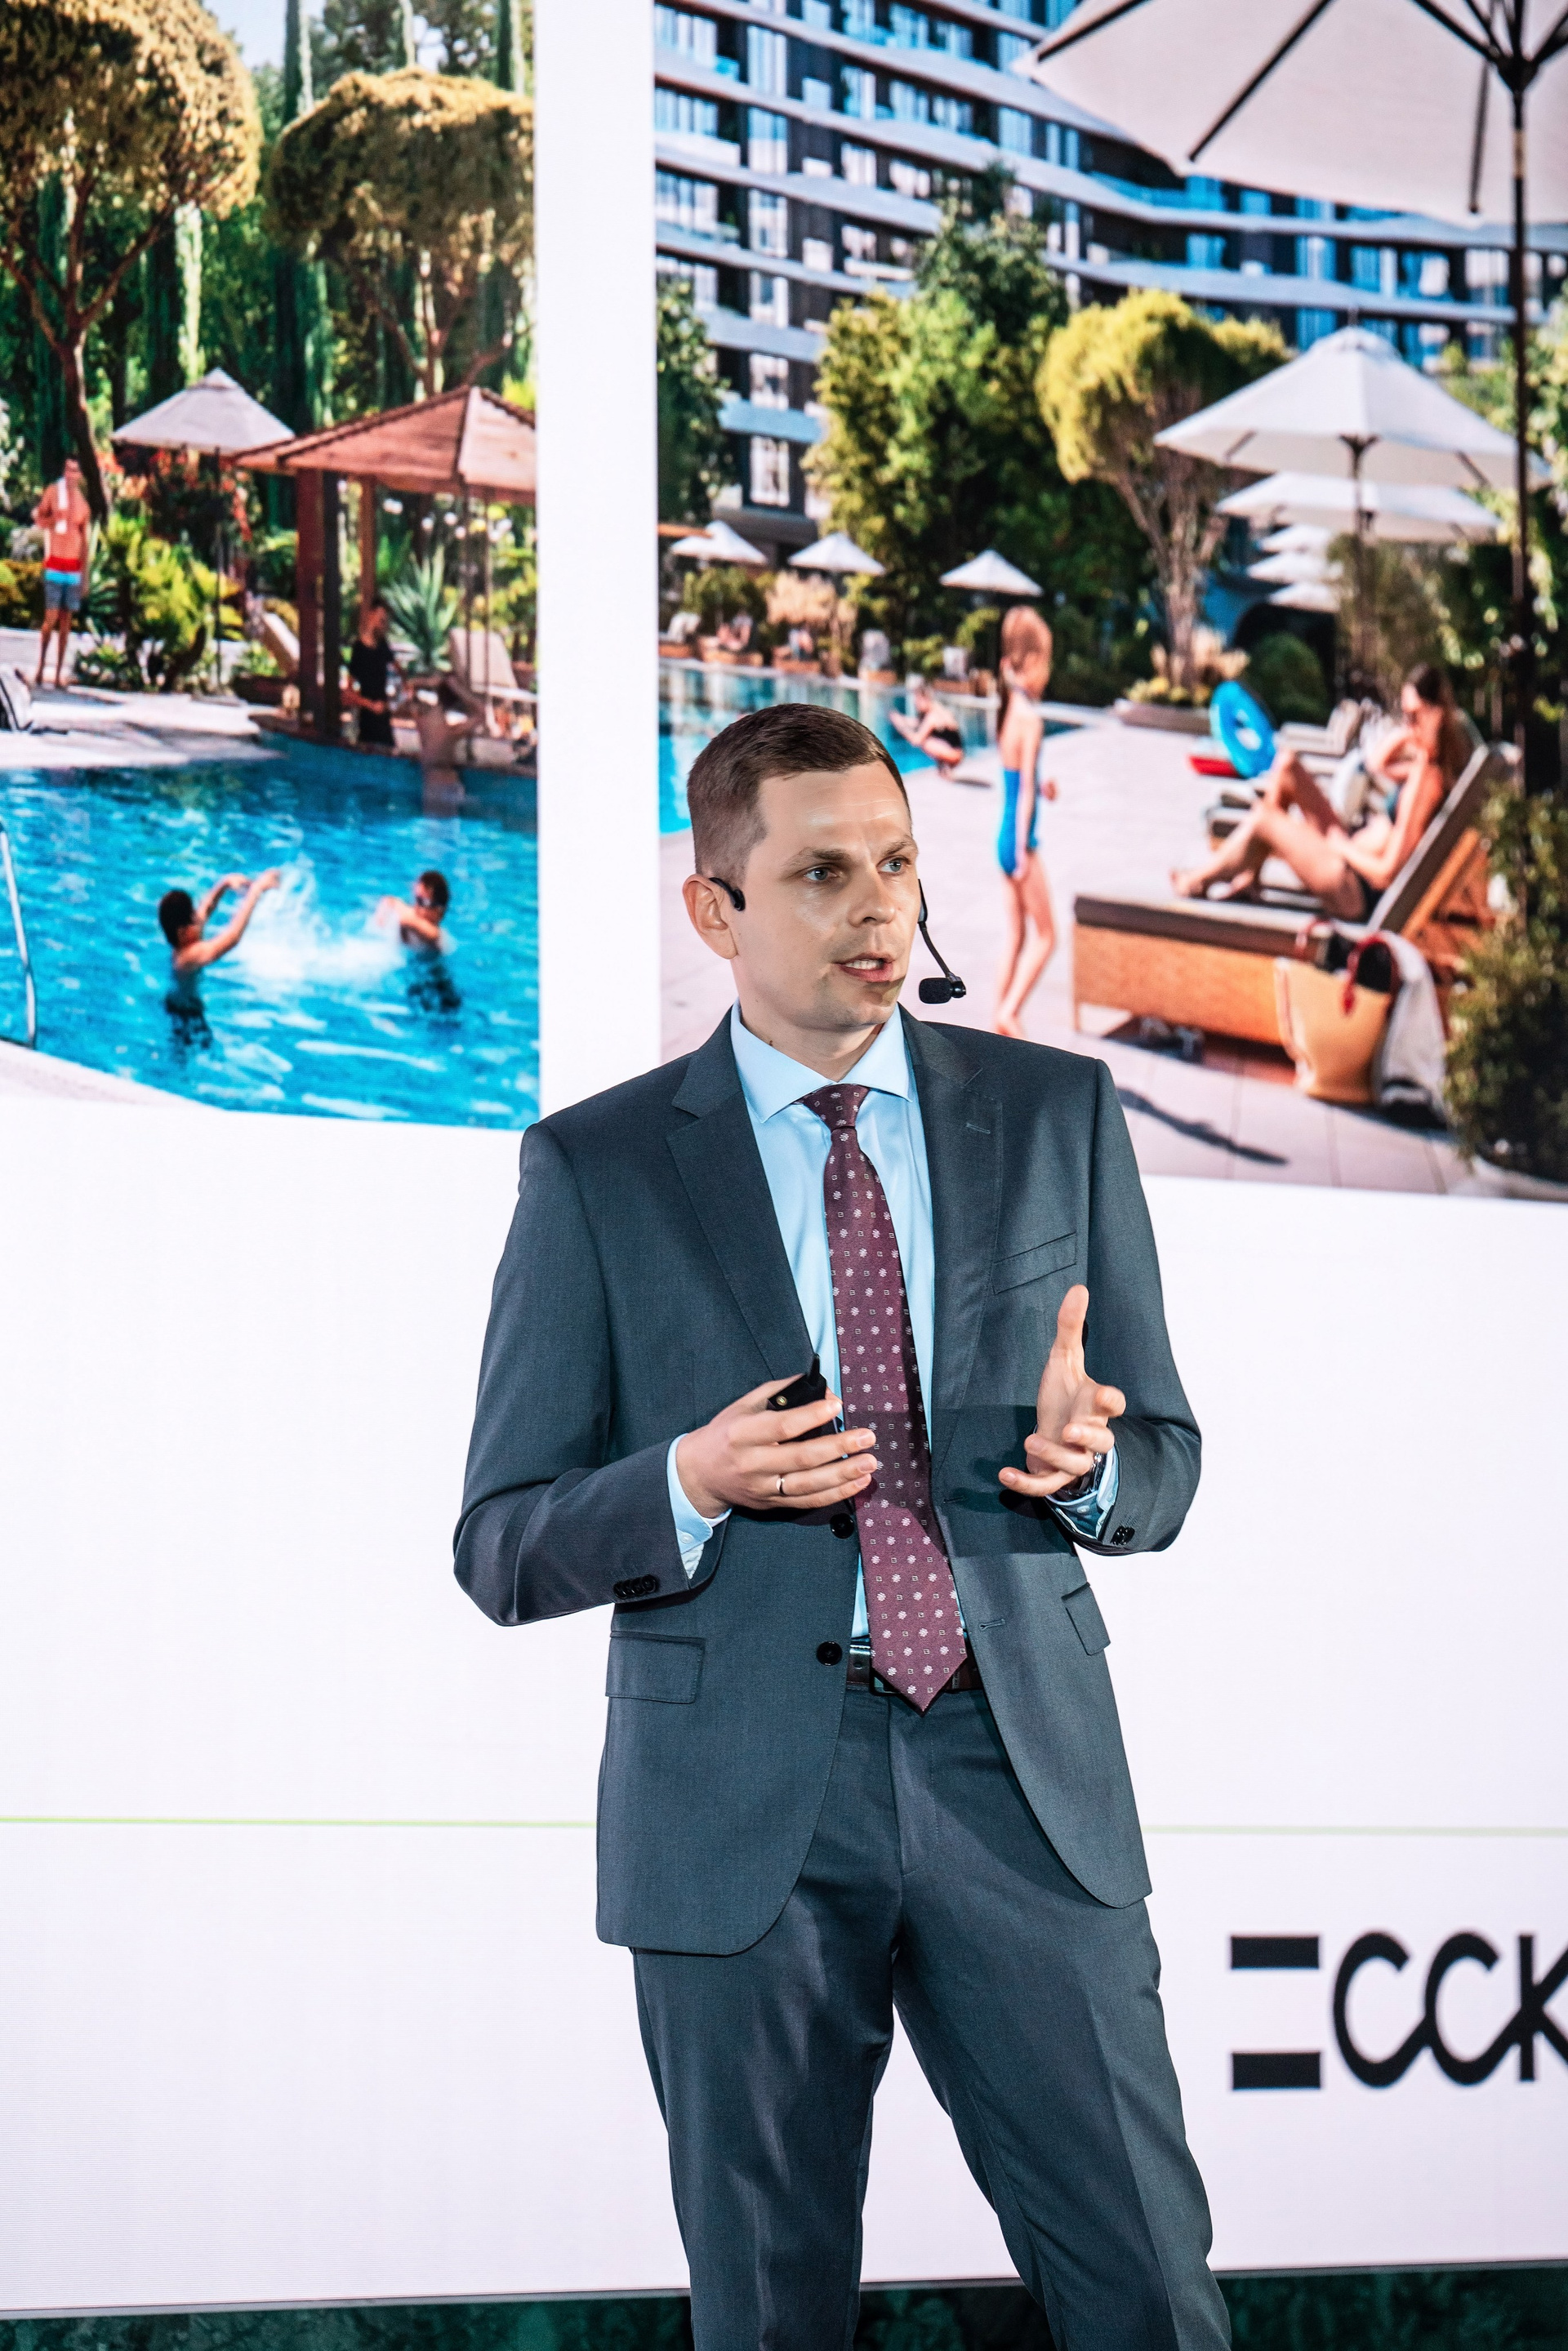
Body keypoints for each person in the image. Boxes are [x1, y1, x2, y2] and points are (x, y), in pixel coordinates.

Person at [456, 701, 1227, 2351]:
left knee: (1153, 2293)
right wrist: (690, 1477)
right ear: (715, 907)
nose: (880, 906)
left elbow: (1163, 1458)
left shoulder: (1059, 1113)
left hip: (1021, 1770)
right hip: (738, 1806)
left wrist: (1091, 1465)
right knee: (769, 2310)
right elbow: (502, 1541)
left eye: (896, 861)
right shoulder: (597, 1169)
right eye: (822, 872)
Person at [1172, 661, 1468, 917]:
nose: (1407, 725)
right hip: (1349, 857)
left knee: (1264, 820)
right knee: (1288, 767)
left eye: (1413, 716)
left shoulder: (1426, 782)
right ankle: (1249, 879)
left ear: (1437, 715)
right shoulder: (1423, 767)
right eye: (1404, 716)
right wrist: (1410, 733)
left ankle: (1200, 880)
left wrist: (1342, 847)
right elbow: (1377, 764)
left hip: (1355, 888)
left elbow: (1388, 873)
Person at [994, 603, 1059, 1039]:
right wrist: (1022, 851)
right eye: (1047, 662)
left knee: (1016, 938)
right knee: (1048, 936)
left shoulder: (1007, 711)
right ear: (1033, 661)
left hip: (1001, 838)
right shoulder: (1031, 719)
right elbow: (1025, 796)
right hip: (1019, 841)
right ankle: (1009, 1013)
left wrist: (1043, 786)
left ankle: (992, 1032)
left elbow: (1019, 779)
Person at [32, 459, 94, 690]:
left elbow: (84, 542)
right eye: (68, 470)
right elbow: (39, 519)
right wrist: (53, 519)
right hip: (55, 565)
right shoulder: (53, 492)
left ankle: (58, 673)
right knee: (50, 619)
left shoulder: (83, 505)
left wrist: (85, 576)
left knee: (66, 623)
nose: (70, 475)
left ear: (80, 476)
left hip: (73, 568)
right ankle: (40, 667)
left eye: (75, 471)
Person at [158, 870, 280, 973]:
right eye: (193, 918)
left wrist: (225, 883)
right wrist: (256, 890)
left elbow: (206, 908)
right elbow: (233, 938)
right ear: (182, 932)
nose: (198, 919)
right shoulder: (187, 957)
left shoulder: (184, 936)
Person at [343, 600, 399, 748]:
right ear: (371, 617)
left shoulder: (383, 646)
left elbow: (399, 672)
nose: (382, 624)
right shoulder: (359, 649)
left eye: (384, 621)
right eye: (380, 619)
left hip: (383, 717)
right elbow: (348, 693)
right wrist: (370, 705)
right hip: (367, 718)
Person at [889, 676, 964, 773]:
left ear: (924, 698)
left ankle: (946, 765)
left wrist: (900, 727)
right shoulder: (936, 708)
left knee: (926, 743)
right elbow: (917, 722)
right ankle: (945, 767)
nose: (915, 704)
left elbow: (916, 740)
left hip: (955, 755)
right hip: (956, 751)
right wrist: (901, 718)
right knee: (928, 738)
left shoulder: (932, 716)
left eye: (917, 700)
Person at [376, 869, 449, 948]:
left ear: (439, 910)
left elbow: (406, 920)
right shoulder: (413, 915)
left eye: (423, 902)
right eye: (417, 899)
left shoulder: (434, 934)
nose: (416, 906)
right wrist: (381, 917)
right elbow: (389, 900)